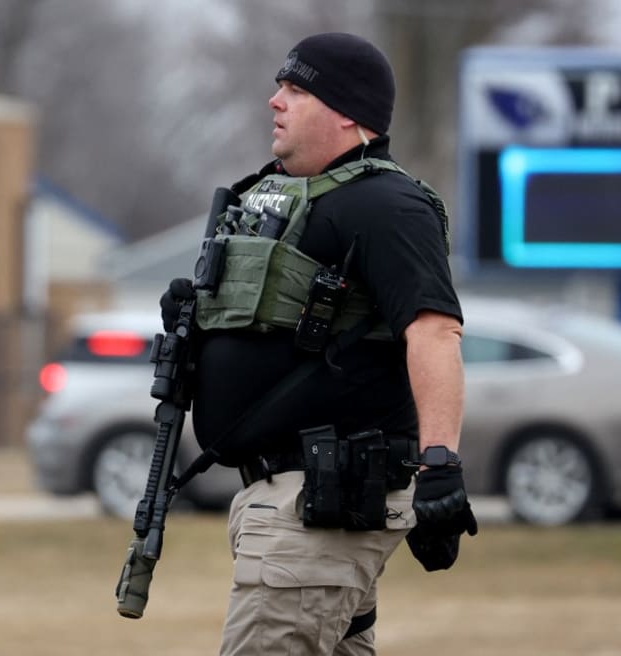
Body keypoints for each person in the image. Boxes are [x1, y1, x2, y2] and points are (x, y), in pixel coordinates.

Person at [159, 32, 477, 655]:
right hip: (286, 506)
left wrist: (441, 465)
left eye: (296, 89)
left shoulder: (387, 204)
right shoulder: (283, 201)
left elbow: (434, 330)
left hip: (319, 505)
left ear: (348, 113)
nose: (274, 101)